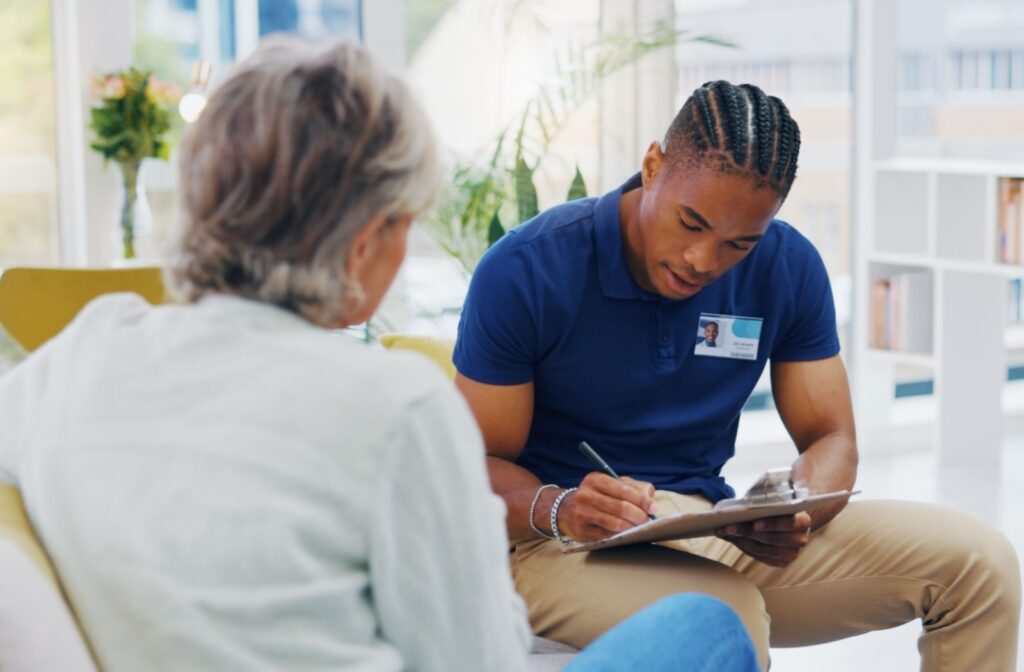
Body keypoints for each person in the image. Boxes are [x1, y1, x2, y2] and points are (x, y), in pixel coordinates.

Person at [0, 40, 761, 672]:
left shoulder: (82, 353)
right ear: (364, 243)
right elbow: (477, 660)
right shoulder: (395, 406)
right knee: (707, 626)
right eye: (406, 225)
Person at [453, 79, 1022, 671]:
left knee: (981, 565)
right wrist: (560, 505)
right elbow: (472, 467)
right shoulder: (526, 270)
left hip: (707, 526)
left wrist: (797, 508)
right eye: (691, 223)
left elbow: (833, 438)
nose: (703, 261)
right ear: (653, 166)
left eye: (737, 244)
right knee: (726, 620)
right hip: (554, 544)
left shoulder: (788, 266)